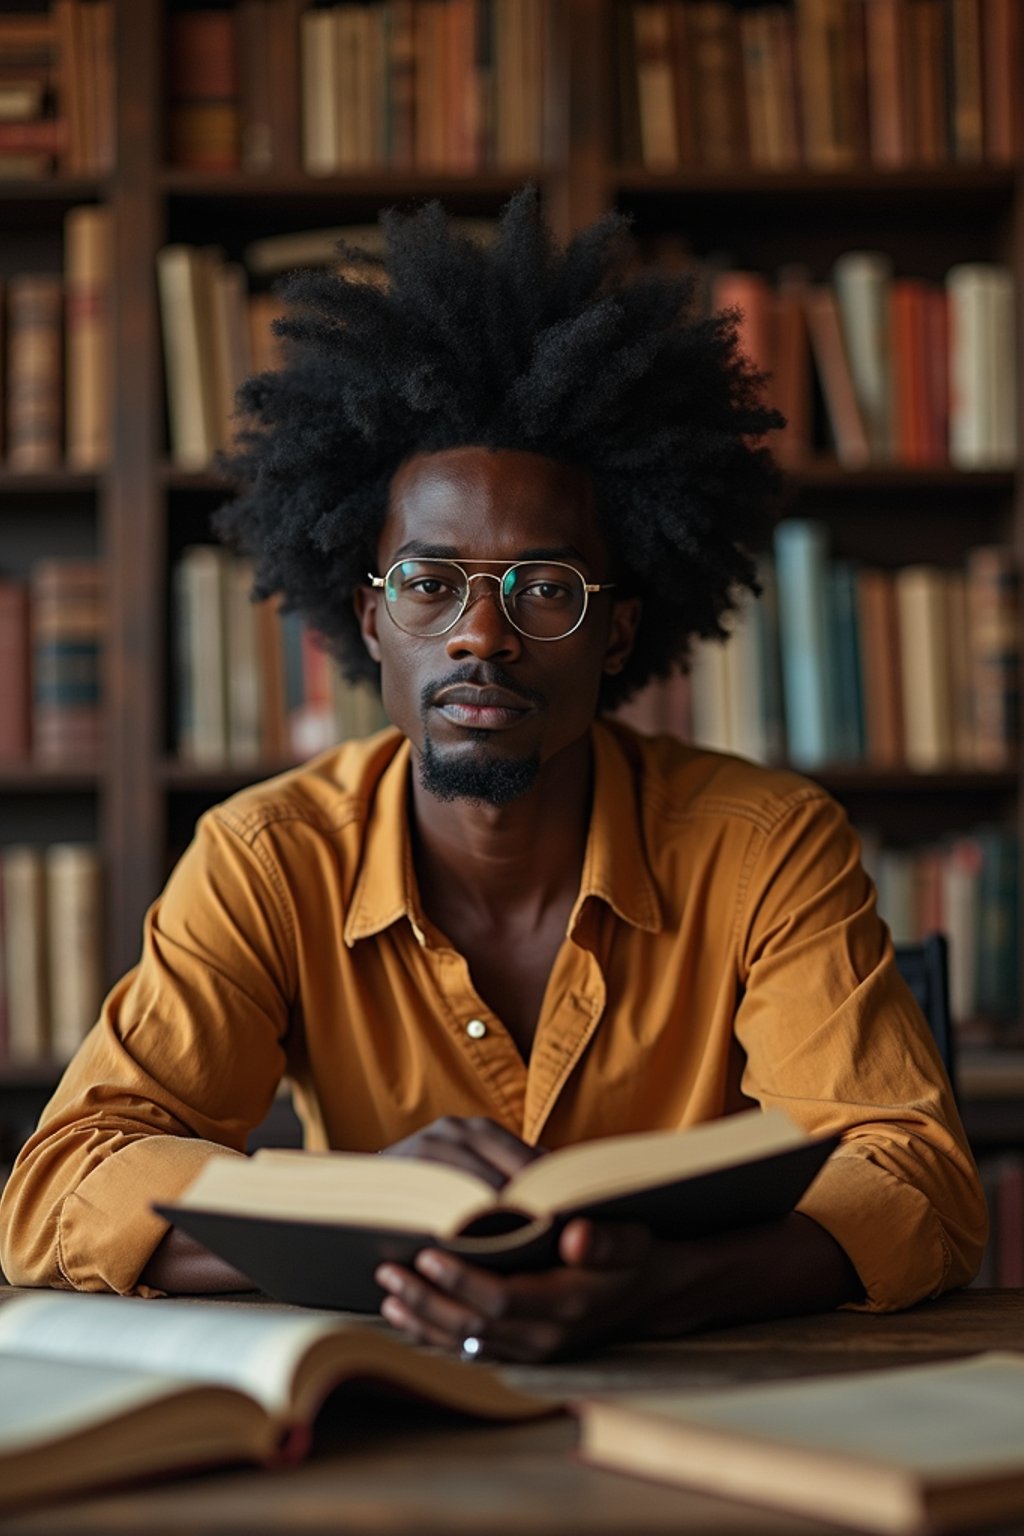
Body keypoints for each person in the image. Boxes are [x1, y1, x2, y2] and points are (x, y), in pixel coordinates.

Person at [0, 191, 985, 1361]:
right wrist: (369, 1229)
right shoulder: (269, 855)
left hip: (705, 1387)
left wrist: (658, 1287)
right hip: (387, 1405)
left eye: (544, 589)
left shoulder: (762, 843)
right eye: (430, 583)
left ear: (617, 634)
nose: (481, 636)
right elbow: (61, 1184)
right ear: (371, 620)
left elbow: (916, 1179)